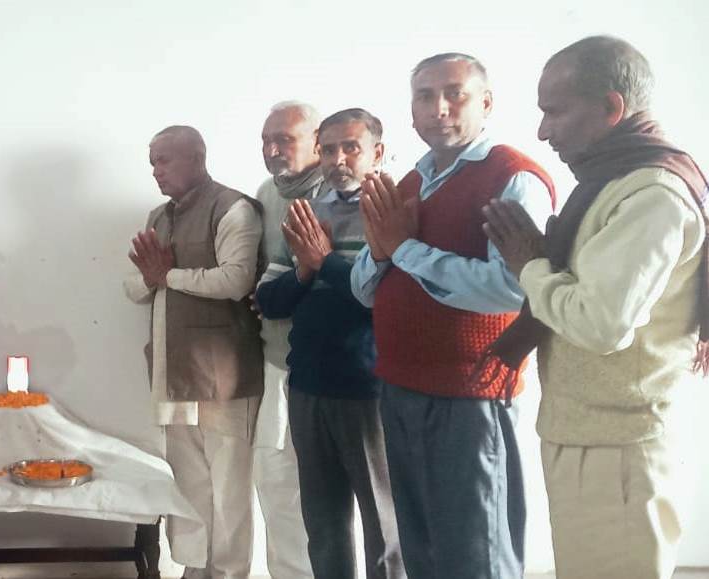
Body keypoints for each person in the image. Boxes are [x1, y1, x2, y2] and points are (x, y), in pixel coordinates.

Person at [484, 35, 708, 579]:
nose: (543, 131)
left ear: (611, 107)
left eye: (555, 111)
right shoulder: (618, 182)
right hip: (596, 436)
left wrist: (531, 266)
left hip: (617, 448)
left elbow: (600, 324)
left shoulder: (650, 195)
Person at [349, 53, 555, 578]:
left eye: (454, 94)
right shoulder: (412, 181)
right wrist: (384, 252)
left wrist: (404, 249)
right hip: (401, 386)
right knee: (420, 546)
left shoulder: (514, 177)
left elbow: (511, 289)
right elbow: (367, 289)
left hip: (470, 392)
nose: (438, 108)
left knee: (476, 552)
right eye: (424, 96)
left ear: (486, 103)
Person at [257, 108, 404, 579]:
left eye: (351, 148)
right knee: (322, 524)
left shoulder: (394, 212)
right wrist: (304, 270)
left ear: (377, 153)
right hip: (307, 385)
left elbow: (384, 302)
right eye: (328, 149)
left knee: (384, 523)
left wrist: (324, 263)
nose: (337, 159)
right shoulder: (309, 212)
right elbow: (268, 300)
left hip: (368, 387)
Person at [124, 125, 264, 579]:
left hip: (224, 375)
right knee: (187, 481)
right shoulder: (158, 217)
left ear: (197, 158)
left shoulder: (234, 208)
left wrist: (168, 277)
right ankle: (193, 568)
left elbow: (236, 280)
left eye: (164, 160)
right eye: (152, 163)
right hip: (174, 371)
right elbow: (135, 288)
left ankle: (229, 573)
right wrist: (153, 279)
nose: (156, 171)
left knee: (229, 487)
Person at [248, 101, 322, 579]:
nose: (272, 150)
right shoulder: (265, 193)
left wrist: (278, 292)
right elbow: (265, 276)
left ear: (317, 142)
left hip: (327, 371)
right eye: (265, 140)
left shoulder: (335, 193)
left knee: (326, 494)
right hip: (276, 362)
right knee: (275, 481)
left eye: (285, 140)